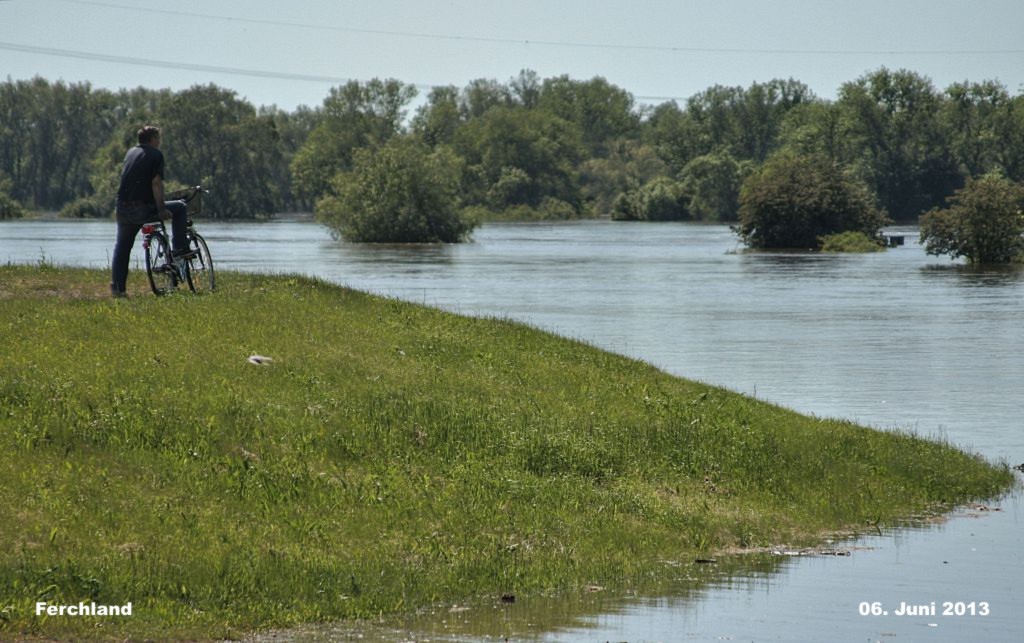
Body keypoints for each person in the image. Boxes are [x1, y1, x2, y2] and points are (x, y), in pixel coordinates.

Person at [110, 125, 191, 297]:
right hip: (142, 208)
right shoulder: (155, 155)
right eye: (158, 139)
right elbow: (156, 183)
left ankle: (118, 289)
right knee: (180, 207)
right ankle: (179, 251)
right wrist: (161, 209)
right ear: (153, 139)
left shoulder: (130, 153)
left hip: (122, 208)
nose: (159, 142)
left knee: (122, 248)